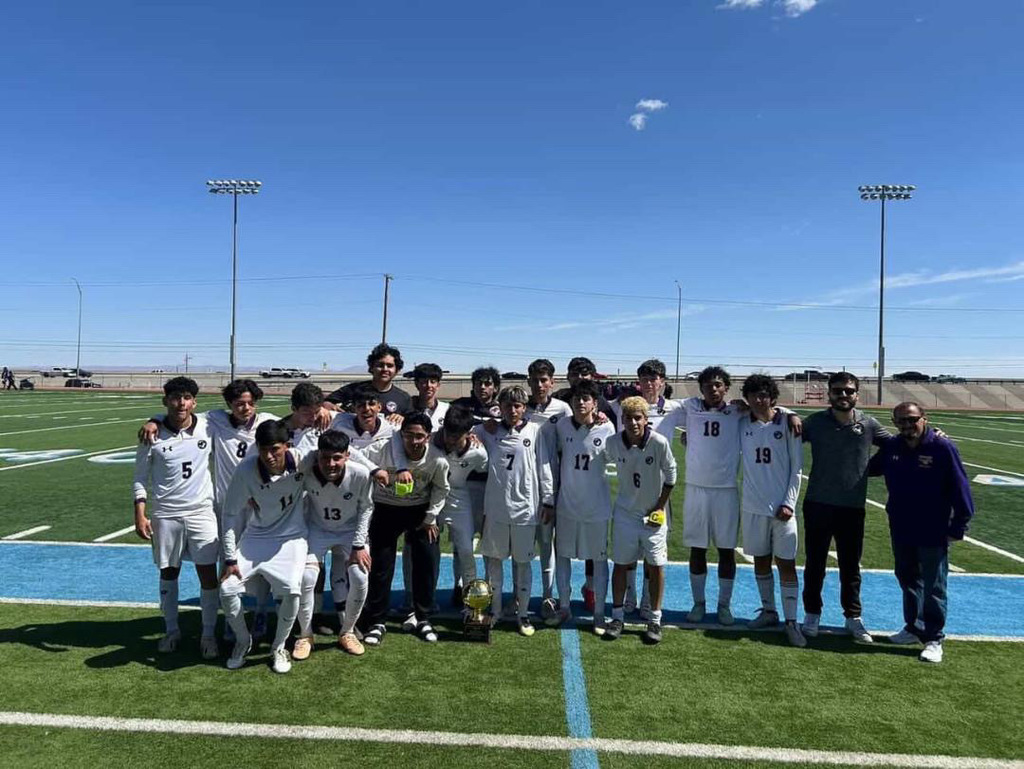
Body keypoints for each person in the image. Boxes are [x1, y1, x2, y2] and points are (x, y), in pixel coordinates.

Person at [868, 402, 974, 664]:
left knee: (934, 584)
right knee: (907, 577)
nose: (907, 425)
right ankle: (914, 627)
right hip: (901, 525)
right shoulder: (893, 446)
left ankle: (934, 637)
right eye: (901, 421)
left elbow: (961, 488)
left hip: (932, 527)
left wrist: (959, 524)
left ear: (924, 419)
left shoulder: (942, 447)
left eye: (912, 419)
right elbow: (869, 468)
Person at [131, 377, 220, 659]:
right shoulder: (152, 435)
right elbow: (139, 478)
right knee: (168, 573)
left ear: (194, 401)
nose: (181, 403)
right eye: (175, 397)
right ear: (165, 401)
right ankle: (171, 630)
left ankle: (208, 633)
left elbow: (245, 413)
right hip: (166, 514)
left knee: (208, 574)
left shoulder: (209, 423)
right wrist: (140, 514)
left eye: (186, 398)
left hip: (201, 512)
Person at [219, 419, 314, 674]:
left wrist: (374, 471)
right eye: (263, 449)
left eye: (275, 449)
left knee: (292, 590)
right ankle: (243, 640)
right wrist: (229, 559)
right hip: (256, 536)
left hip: (291, 538)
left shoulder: (304, 460)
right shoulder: (246, 470)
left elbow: (343, 454)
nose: (269, 456)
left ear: (287, 446)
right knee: (227, 590)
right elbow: (229, 515)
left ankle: (279, 646)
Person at [800, 372, 888, 643]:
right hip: (817, 503)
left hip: (852, 507)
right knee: (815, 564)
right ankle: (812, 613)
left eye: (849, 391)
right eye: (838, 391)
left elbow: (897, 446)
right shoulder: (815, 423)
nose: (843, 396)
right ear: (829, 393)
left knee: (851, 566)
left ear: (857, 395)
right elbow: (780, 436)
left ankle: (853, 617)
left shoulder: (868, 424)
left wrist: (869, 470)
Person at [357, 413, 450, 646]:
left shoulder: (437, 460)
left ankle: (423, 617)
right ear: (401, 435)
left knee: (426, 563)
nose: (414, 441)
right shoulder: (382, 449)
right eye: (409, 435)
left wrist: (430, 518)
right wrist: (374, 470)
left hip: (420, 512)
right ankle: (377, 620)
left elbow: (441, 489)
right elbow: (354, 456)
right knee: (380, 565)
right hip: (386, 509)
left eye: (420, 436)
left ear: (428, 437)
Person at [475, 385, 553, 637]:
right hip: (496, 510)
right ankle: (495, 611)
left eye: (518, 406)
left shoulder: (536, 431)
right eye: (508, 405)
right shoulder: (489, 431)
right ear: (501, 407)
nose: (513, 410)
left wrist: (548, 500)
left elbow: (544, 467)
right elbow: (462, 429)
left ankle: (523, 614)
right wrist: (482, 425)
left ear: (524, 407)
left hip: (525, 510)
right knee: (494, 565)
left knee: (523, 564)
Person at [294, 430, 374, 659]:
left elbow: (366, 508)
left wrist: (359, 545)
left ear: (348, 456)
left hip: (350, 532)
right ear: (317, 455)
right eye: (325, 457)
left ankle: (347, 631)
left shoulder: (360, 474)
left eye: (337, 458)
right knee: (307, 578)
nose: (330, 464)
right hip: (317, 530)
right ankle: (305, 634)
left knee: (360, 577)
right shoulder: (307, 472)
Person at [739, 374, 806, 647]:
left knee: (786, 564)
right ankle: (769, 611)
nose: (758, 399)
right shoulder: (742, 422)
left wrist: (789, 502)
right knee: (761, 560)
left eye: (763, 394)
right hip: (753, 505)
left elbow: (797, 468)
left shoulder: (788, 423)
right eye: (753, 394)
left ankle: (791, 622)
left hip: (782, 508)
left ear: (772, 396)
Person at [604, 396, 677, 644]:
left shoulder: (658, 442)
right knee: (621, 564)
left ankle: (655, 619)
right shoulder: (613, 442)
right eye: (628, 418)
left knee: (656, 565)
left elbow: (671, 475)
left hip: (653, 516)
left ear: (646, 420)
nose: (633, 423)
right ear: (622, 420)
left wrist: (659, 507)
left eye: (638, 418)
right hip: (625, 513)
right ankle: (617, 615)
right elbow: (598, 461)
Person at [547, 380, 615, 634]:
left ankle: (599, 614)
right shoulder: (562, 425)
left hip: (596, 506)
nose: (581, 402)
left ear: (595, 404)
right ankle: (564, 606)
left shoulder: (606, 427)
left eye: (587, 398)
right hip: (567, 504)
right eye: (577, 397)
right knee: (562, 555)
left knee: (598, 558)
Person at [525, 358, 572, 619]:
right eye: (535, 380)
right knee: (522, 544)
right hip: (521, 486)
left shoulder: (563, 409)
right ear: (529, 381)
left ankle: (547, 595)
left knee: (547, 542)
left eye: (544, 380)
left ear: (552, 382)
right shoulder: (521, 408)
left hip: (552, 486)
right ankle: (521, 595)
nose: (540, 385)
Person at [435, 406, 489, 597]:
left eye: (456, 437)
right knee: (426, 550)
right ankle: (419, 601)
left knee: (466, 549)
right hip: (431, 498)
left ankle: (471, 601)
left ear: (468, 433)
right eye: (448, 434)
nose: (450, 440)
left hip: (459, 497)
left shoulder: (478, 452)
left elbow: (484, 470)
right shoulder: (431, 441)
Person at [325, 343, 412, 416]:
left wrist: (402, 419)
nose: (385, 369)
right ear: (371, 367)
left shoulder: (403, 398)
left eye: (389, 366)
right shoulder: (354, 389)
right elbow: (326, 403)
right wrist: (328, 408)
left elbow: (411, 423)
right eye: (380, 365)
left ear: (397, 370)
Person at [408, 362, 449, 432]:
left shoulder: (447, 410)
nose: (429, 385)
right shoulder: (407, 408)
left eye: (433, 382)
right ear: (417, 384)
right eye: (424, 382)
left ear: (438, 385)